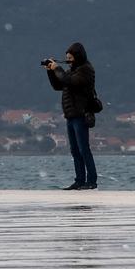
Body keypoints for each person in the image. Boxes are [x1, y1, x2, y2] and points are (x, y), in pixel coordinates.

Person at [45, 41, 97, 190]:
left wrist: (58, 68)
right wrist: (51, 71)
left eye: (70, 57)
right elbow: (58, 86)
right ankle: (80, 180)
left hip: (81, 114)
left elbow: (70, 82)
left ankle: (91, 181)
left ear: (77, 56)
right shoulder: (72, 70)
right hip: (71, 115)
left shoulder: (85, 70)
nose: (68, 60)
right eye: (66, 57)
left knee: (84, 149)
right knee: (75, 150)